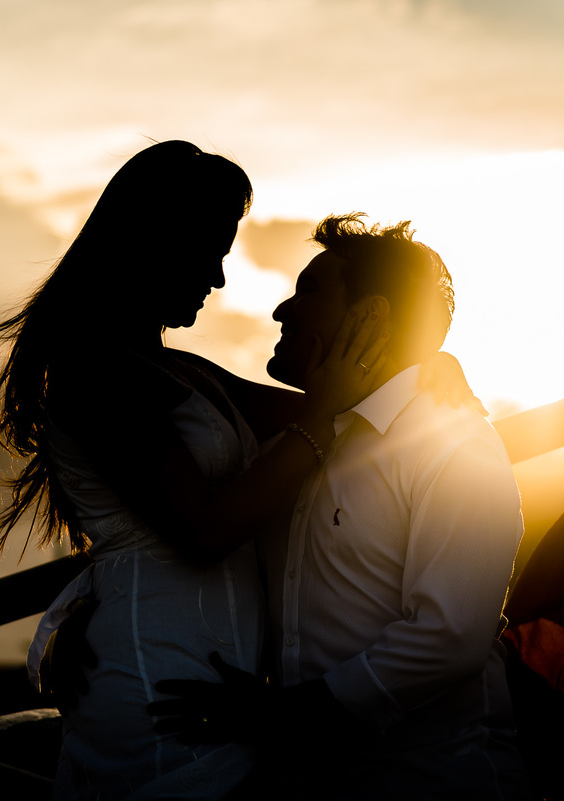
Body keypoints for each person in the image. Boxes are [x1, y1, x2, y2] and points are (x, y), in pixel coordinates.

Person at [0, 142, 390, 801]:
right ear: (157, 241)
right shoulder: (93, 377)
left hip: (213, 683)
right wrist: (325, 417)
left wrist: (420, 377)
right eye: (213, 249)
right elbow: (205, 528)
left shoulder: (180, 372)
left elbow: (333, 407)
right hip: (158, 686)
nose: (219, 277)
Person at [153, 214, 530, 799]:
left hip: (435, 784)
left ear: (370, 316)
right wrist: (79, 615)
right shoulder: (284, 448)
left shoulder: (454, 443)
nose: (283, 311)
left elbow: (450, 635)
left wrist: (289, 714)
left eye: (308, 291)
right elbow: (179, 532)